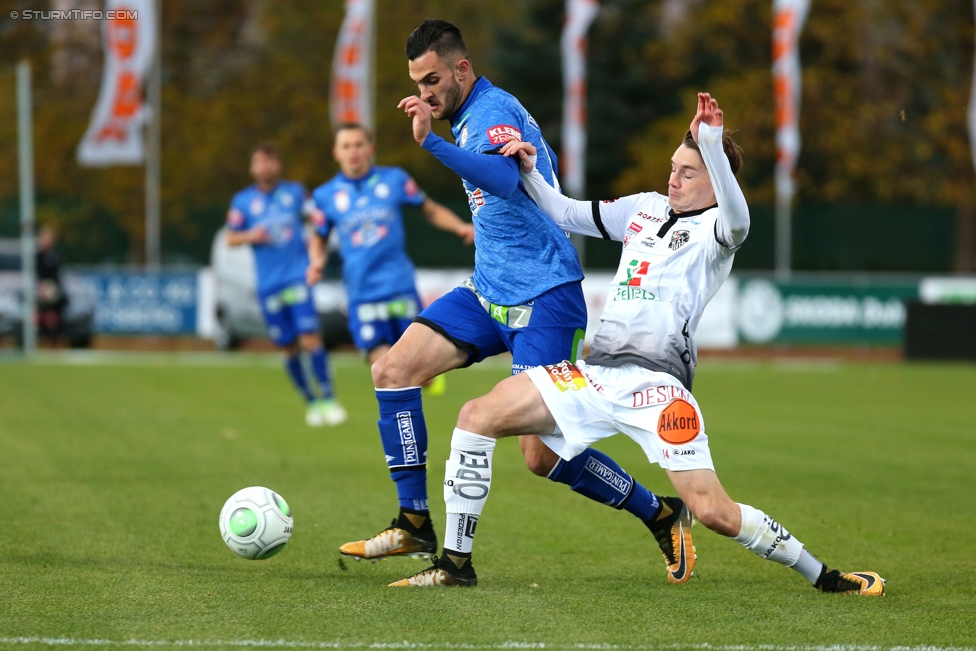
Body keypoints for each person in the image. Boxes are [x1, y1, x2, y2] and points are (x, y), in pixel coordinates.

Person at [391, 93, 885, 596]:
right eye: (673, 167)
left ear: (715, 181)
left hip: (658, 389)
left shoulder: (718, 232)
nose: (673, 178)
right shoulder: (642, 209)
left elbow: (739, 218)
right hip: (596, 375)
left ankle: (823, 575)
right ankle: (455, 564)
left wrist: (711, 144)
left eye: (688, 172)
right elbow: (563, 212)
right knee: (476, 416)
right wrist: (530, 170)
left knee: (713, 511)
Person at [340, 19, 688, 579]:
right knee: (394, 369)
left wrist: (430, 142)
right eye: (417, 82)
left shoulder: (493, 111)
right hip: (489, 290)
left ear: (461, 68)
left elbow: (503, 181)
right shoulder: (467, 117)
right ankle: (414, 522)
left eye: (433, 79)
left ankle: (661, 512)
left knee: (541, 456)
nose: (426, 93)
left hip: (547, 296)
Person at [306, 122, 473, 380]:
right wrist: (316, 262)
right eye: (346, 146)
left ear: (370, 148)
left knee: (417, 372)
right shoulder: (325, 196)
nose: (353, 151)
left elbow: (429, 209)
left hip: (399, 286)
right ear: (336, 153)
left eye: (359, 145)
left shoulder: (394, 179)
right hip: (362, 292)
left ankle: (426, 382)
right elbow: (319, 238)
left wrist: (460, 227)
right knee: (387, 369)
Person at [226, 143, 347, 428]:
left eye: (270, 161)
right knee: (288, 347)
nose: (265, 167)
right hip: (268, 284)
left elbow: (317, 218)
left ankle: (330, 398)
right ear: (252, 168)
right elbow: (230, 238)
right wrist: (250, 236)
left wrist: (317, 240)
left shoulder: (294, 193)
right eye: (259, 162)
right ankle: (312, 402)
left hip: (297, 276)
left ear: (277, 165)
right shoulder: (243, 201)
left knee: (310, 337)